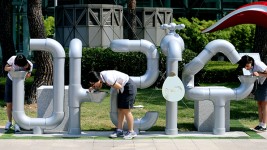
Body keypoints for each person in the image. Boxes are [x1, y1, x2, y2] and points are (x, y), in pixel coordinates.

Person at [88, 70, 137, 139]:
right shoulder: (101, 76)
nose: (93, 86)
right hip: (123, 88)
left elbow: (119, 87)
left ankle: (131, 132)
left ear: (98, 80)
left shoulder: (108, 78)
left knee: (126, 110)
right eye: (92, 85)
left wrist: (109, 85)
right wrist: (93, 87)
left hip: (128, 87)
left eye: (93, 84)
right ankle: (119, 130)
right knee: (120, 110)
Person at [4, 54, 33, 132]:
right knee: (9, 103)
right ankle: (9, 122)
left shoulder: (29, 64)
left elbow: (28, 75)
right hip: (10, 81)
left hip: (19, 83)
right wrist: (11, 68)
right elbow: (5, 68)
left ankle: (17, 123)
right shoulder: (12, 59)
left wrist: (27, 73)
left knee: (18, 104)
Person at [237, 55, 267, 131]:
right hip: (260, 82)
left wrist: (259, 74)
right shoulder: (251, 66)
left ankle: (264, 125)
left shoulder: (258, 64)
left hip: (266, 82)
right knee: (259, 103)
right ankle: (260, 124)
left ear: (250, 62)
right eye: (245, 67)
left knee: (264, 104)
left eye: (247, 66)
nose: (247, 68)